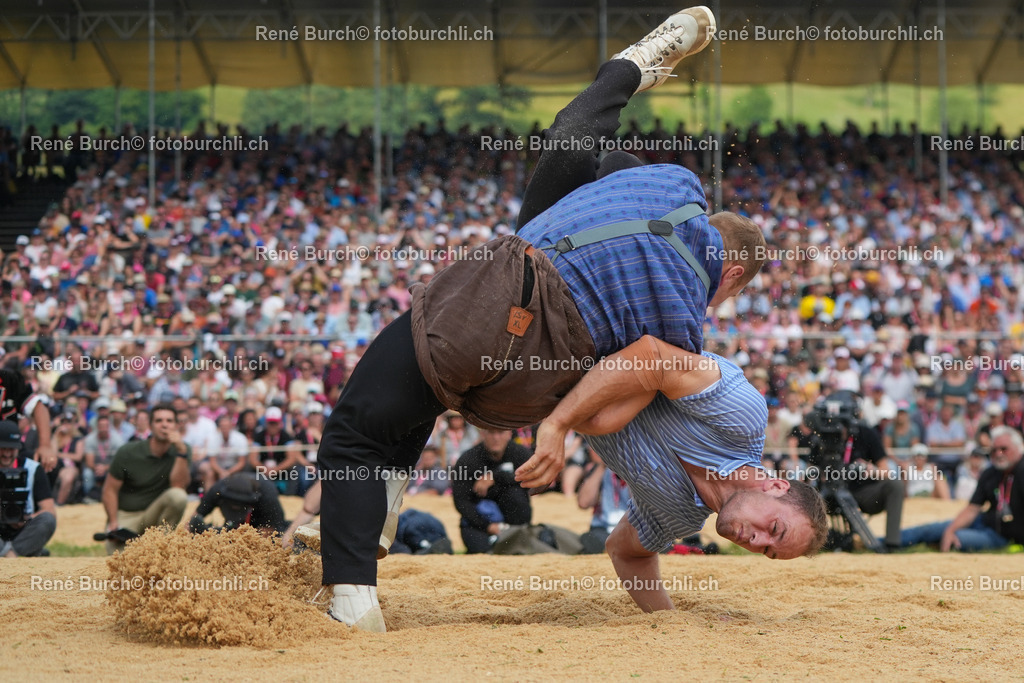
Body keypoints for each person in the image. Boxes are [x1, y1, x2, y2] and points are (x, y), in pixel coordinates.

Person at [317, 6, 768, 631]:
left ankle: (351, 594)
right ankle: (377, 515)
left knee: (356, 433)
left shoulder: (666, 192)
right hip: (530, 387)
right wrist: (559, 422)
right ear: (736, 275)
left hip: (510, 294)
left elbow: (576, 140)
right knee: (418, 402)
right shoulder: (683, 331)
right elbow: (613, 409)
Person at [529, 339, 828, 611]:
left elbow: (625, 552)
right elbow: (651, 355)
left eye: (765, 550)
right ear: (776, 485)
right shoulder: (743, 420)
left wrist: (669, 621)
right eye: (774, 529)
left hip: (535, 383)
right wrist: (560, 423)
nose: (754, 539)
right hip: (582, 327)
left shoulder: (680, 517)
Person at [901, 426, 1024, 551]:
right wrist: (950, 530)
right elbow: (972, 508)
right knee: (932, 529)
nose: (998, 454)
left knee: (958, 539)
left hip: (1002, 535)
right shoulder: (990, 473)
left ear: (1018, 448)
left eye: (1004, 449)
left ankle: (939, 542)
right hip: (984, 521)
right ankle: (887, 541)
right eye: (994, 450)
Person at [100, 404, 190, 554]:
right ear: (150, 425)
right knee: (121, 561)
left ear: (176, 425)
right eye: (159, 420)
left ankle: (162, 545)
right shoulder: (128, 451)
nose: (164, 425)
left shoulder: (183, 449)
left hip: (155, 516)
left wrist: (181, 452)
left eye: (169, 421)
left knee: (178, 496)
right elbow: (109, 490)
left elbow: (178, 486)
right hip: (127, 515)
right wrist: (114, 523)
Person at [451, 429, 533, 554]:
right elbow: (461, 501)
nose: (496, 438)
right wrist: (487, 526)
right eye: (491, 433)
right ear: (482, 434)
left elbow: (533, 480)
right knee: (480, 551)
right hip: (480, 519)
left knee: (515, 494)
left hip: (512, 517)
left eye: (500, 433)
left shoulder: (520, 453)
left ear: (509, 434)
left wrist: (496, 477)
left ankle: (518, 532)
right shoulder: (468, 460)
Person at [0, 420, 56, 558]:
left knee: (48, 520)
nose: (7, 453)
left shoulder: (33, 468)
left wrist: (26, 519)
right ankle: (19, 554)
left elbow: (49, 509)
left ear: (18, 448)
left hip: (24, 530)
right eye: (3, 448)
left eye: (11, 448)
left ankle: (10, 554)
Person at [187, 472, 286, 535]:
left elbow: (273, 529)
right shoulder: (218, 490)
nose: (236, 507)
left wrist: (245, 538)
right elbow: (193, 518)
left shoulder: (267, 494)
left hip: (258, 524)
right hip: (229, 525)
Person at [576, 446, 633, 555]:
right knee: (590, 541)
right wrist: (602, 465)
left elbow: (641, 502)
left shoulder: (638, 469)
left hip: (632, 529)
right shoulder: (598, 470)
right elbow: (583, 503)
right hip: (603, 529)